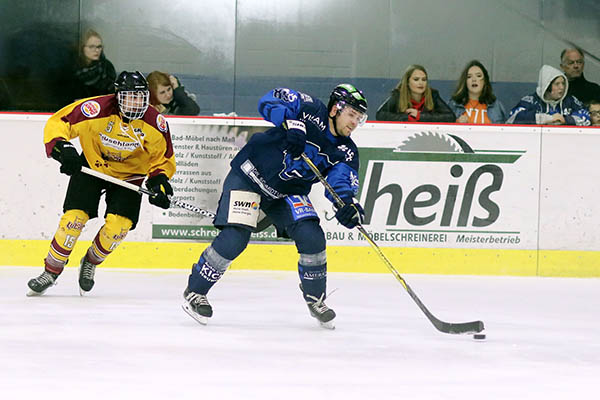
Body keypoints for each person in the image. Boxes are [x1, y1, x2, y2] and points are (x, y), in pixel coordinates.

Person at [181, 84, 368, 329]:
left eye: (359, 118)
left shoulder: (347, 152)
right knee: (235, 237)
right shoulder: (310, 108)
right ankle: (195, 291)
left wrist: (347, 205)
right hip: (251, 176)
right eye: (351, 115)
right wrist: (292, 124)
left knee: (312, 236)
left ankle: (315, 298)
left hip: (286, 193)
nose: (354, 122)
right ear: (335, 109)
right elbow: (270, 99)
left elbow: (340, 182)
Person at [27, 71, 176, 296]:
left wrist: (159, 182)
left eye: (141, 97)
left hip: (130, 176)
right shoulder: (96, 109)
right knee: (73, 219)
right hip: (91, 167)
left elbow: (162, 159)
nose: (136, 103)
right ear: (117, 96)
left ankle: (90, 262)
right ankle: (51, 271)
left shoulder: (155, 123)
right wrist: (62, 147)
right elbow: (60, 122)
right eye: (130, 97)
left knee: (118, 227)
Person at [506, 65, 590, 126]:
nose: (562, 87)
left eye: (563, 83)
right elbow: (512, 118)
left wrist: (565, 120)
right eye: (557, 84)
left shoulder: (570, 100)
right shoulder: (530, 101)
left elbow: (587, 115)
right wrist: (547, 118)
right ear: (547, 86)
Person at [376, 64, 454, 122]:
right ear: (407, 82)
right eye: (416, 79)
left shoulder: (433, 95)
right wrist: (406, 118)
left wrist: (420, 116)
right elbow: (380, 115)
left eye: (424, 80)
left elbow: (450, 117)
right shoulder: (398, 95)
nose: (421, 83)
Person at [73, 29, 117, 99]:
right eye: (91, 47)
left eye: (99, 47)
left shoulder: (107, 67)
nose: (96, 50)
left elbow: (110, 96)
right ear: (82, 48)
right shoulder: (72, 68)